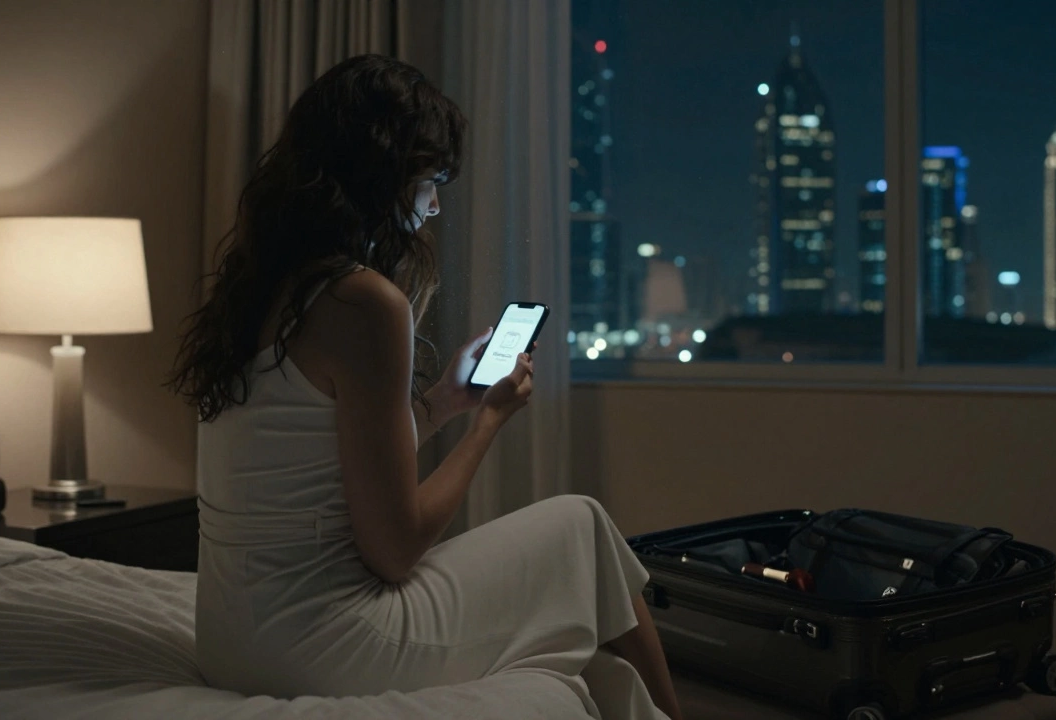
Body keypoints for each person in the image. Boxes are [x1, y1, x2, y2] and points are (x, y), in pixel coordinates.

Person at [164, 54, 684, 720]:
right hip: (322, 648)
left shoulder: (262, 288)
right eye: (430, 179)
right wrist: (489, 422)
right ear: (381, 176)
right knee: (581, 525)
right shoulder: (365, 303)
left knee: (605, 665)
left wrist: (443, 402)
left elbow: (319, 461)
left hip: (231, 643)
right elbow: (395, 550)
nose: (435, 203)